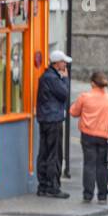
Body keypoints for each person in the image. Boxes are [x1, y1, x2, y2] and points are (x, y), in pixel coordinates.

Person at [69, 70, 108, 204]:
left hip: (87, 136)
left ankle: (88, 195)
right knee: (102, 166)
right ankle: (102, 196)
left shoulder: (84, 97)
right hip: (105, 138)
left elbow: (73, 112)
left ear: (93, 83)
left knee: (89, 165)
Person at [35, 50, 71, 198]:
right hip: (53, 119)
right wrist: (65, 79)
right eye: (63, 62)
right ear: (56, 64)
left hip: (45, 118)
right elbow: (64, 94)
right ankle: (53, 186)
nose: (65, 64)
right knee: (54, 154)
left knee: (44, 152)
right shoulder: (54, 78)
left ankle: (43, 185)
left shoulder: (46, 76)